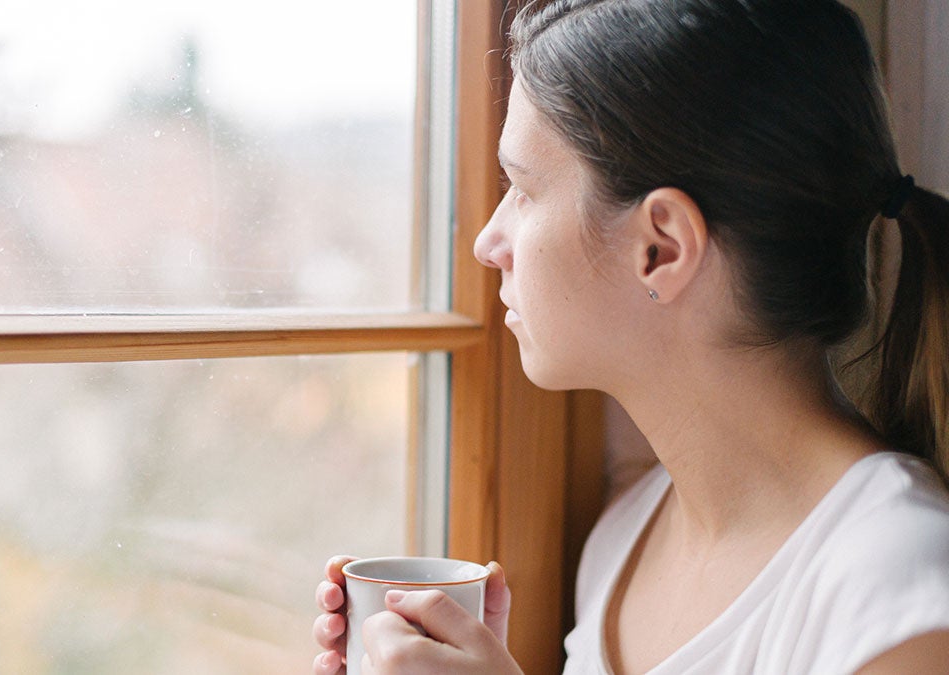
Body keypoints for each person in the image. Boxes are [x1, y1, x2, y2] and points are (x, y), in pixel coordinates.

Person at [312, 0, 949, 672]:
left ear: (661, 248)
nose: (487, 241)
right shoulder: (625, 542)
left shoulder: (900, 599)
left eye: (523, 190)